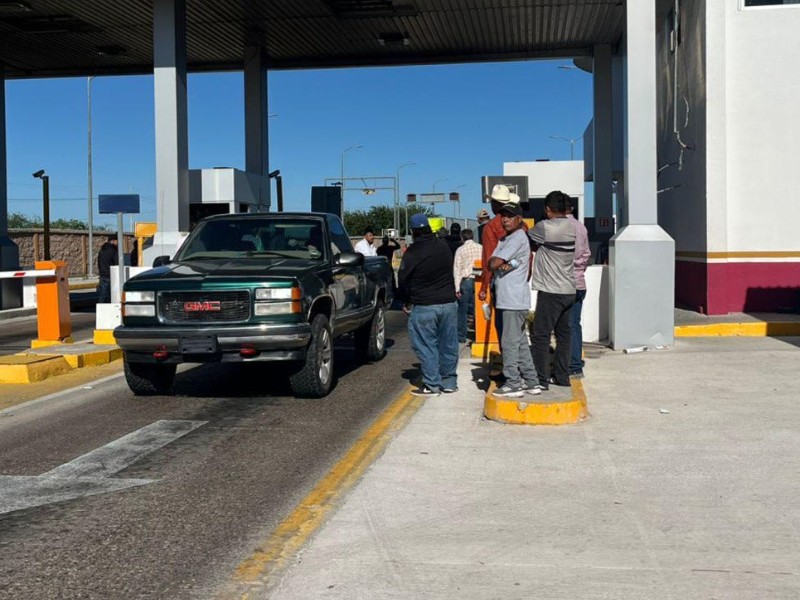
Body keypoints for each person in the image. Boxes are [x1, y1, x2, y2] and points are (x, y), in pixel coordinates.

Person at [397, 212, 459, 397]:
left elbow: (403, 279)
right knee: (449, 344)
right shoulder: (443, 246)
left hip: (424, 305)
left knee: (426, 345)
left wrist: (405, 301)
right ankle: (449, 382)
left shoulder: (413, 253)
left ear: (413, 232)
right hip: (448, 303)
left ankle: (432, 384)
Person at [487, 203, 540, 398]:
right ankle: (531, 381)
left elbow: (493, 263)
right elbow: (497, 264)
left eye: (510, 216)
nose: (505, 220)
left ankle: (513, 383)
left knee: (509, 343)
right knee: (519, 343)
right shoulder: (509, 239)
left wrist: (498, 263)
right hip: (513, 298)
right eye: (503, 216)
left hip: (512, 299)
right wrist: (499, 263)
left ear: (520, 219)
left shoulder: (516, 238)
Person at [527, 190, 577, 390]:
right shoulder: (572, 226)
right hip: (569, 289)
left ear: (547, 209)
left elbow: (528, 238)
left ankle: (541, 379)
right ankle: (562, 377)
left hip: (551, 291)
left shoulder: (544, 228)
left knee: (541, 335)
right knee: (564, 335)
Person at [477, 184, 526, 342]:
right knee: (519, 330)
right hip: (520, 283)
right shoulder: (521, 224)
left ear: (494, 204)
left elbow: (489, 260)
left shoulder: (490, 227)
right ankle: (518, 362)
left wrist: (484, 286)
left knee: (503, 328)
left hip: (501, 285)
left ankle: (508, 363)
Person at [565, 196, 591, 379]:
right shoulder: (581, 227)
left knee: (562, 326)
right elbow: (587, 254)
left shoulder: (560, 227)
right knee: (575, 324)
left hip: (563, 283)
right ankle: (575, 367)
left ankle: (567, 364)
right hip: (579, 282)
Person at [453, 228, 481, 344]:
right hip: (479, 280)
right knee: (478, 309)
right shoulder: (481, 248)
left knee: (462, 310)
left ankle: (461, 336)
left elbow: (457, 269)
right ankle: (478, 333)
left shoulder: (460, 250)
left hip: (466, 280)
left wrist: (457, 287)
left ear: (462, 238)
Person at [97, 234, 118, 303]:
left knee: (103, 294)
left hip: (103, 274)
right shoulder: (113, 251)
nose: (117, 243)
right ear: (113, 241)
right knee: (110, 295)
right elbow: (116, 263)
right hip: (110, 275)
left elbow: (99, 263)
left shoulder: (102, 250)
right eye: (116, 241)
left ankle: (100, 308)